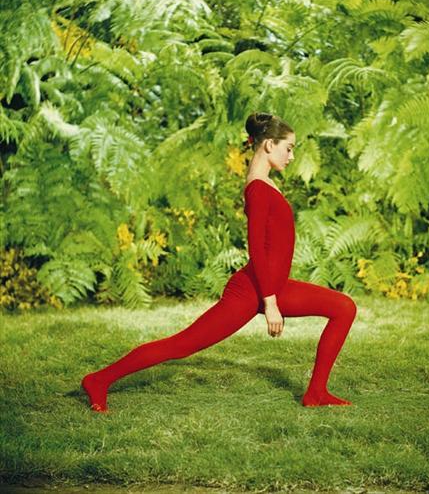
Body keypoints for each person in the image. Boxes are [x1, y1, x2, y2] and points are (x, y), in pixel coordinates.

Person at [81, 112, 357, 412]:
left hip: (272, 286)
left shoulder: (266, 183)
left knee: (344, 307)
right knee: (182, 345)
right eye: (288, 148)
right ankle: (98, 380)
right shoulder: (257, 188)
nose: (291, 156)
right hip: (252, 291)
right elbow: (256, 248)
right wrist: (270, 303)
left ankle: (316, 393)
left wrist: (273, 296)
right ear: (268, 145)